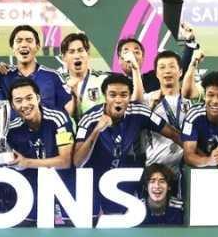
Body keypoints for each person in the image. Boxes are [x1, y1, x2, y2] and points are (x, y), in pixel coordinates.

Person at [74, 74, 181, 216]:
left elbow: (174, 134)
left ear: (130, 97)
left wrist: (197, 154)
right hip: (95, 180)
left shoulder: (139, 111)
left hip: (124, 179)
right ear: (105, 96)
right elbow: (77, 161)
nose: (118, 100)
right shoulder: (89, 119)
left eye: (123, 95)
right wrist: (96, 131)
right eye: (112, 95)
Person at [0, 77, 74, 225]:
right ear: (12, 105)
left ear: (38, 98)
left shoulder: (58, 118)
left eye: (29, 98)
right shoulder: (11, 129)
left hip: (62, 187)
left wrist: (27, 163)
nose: (25, 104)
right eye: (18, 100)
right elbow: (6, 161)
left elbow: (65, 161)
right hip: (31, 191)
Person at [0, 25, 72, 115]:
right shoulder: (3, 76)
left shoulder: (52, 76)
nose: (24, 45)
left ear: (37, 46)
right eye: (19, 41)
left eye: (29, 41)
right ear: (12, 47)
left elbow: (68, 108)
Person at [144, 51, 192, 183]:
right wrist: (151, 108)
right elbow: (136, 128)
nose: (167, 71)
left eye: (172, 66)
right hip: (155, 171)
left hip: (185, 171)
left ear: (180, 72)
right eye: (162, 67)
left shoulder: (190, 102)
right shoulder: (147, 100)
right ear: (156, 73)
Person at [62, 33, 104, 122]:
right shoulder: (56, 81)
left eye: (80, 50)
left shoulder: (103, 80)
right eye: (71, 52)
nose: (77, 56)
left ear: (88, 54)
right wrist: (74, 96)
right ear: (64, 57)